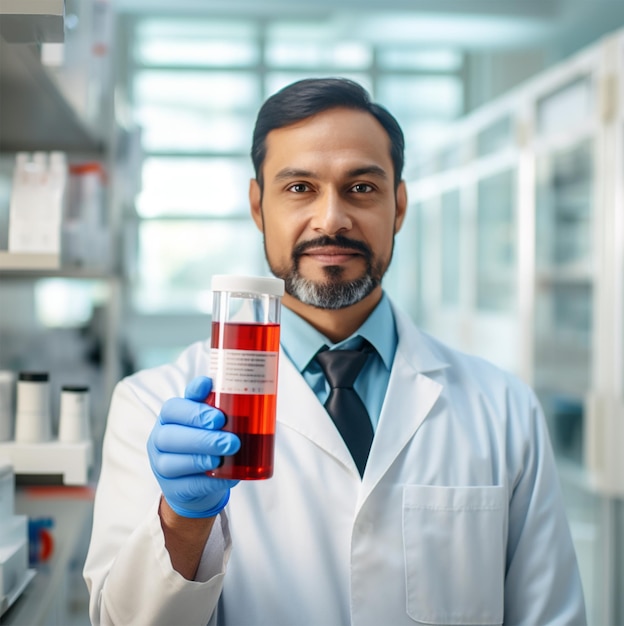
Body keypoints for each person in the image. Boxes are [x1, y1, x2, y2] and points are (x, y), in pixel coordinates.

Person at [84, 77, 587, 626]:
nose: (331, 219)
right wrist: (182, 522)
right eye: (299, 187)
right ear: (258, 207)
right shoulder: (148, 403)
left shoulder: (503, 408)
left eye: (361, 188)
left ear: (398, 206)